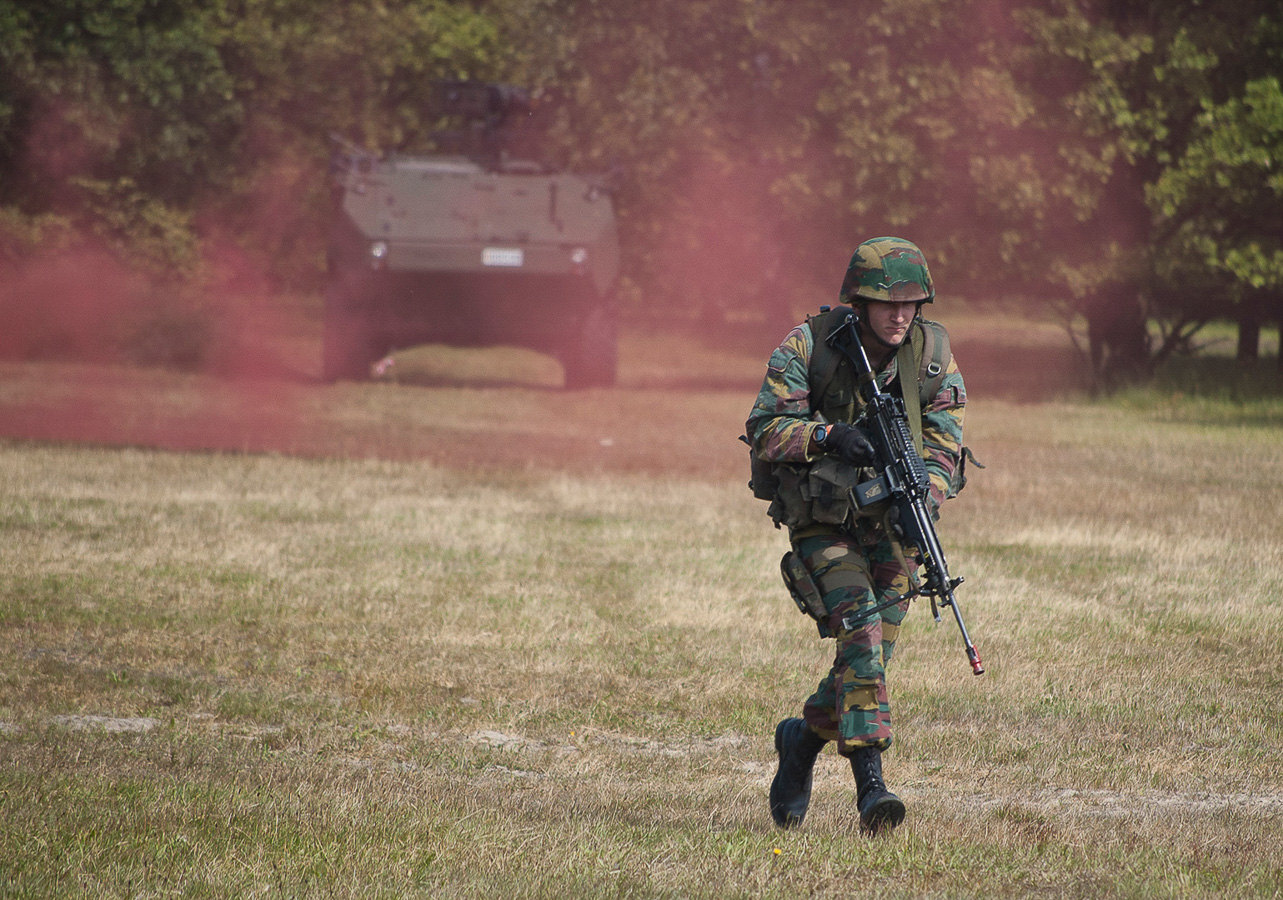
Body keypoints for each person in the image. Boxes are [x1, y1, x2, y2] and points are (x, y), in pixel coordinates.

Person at [744, 236, 967, 836]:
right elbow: (765, 426)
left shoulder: (930, 353)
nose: (900, 314)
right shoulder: (810, 345)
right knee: (863, 632)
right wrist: (826, 437)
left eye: (912, 303)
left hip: (895, 525)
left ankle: (801, 742)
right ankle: (871, 787)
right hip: (824, 522)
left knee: (866, 660)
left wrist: (925, 498)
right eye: (886, 302)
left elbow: (946, 438)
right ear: (859, 302)